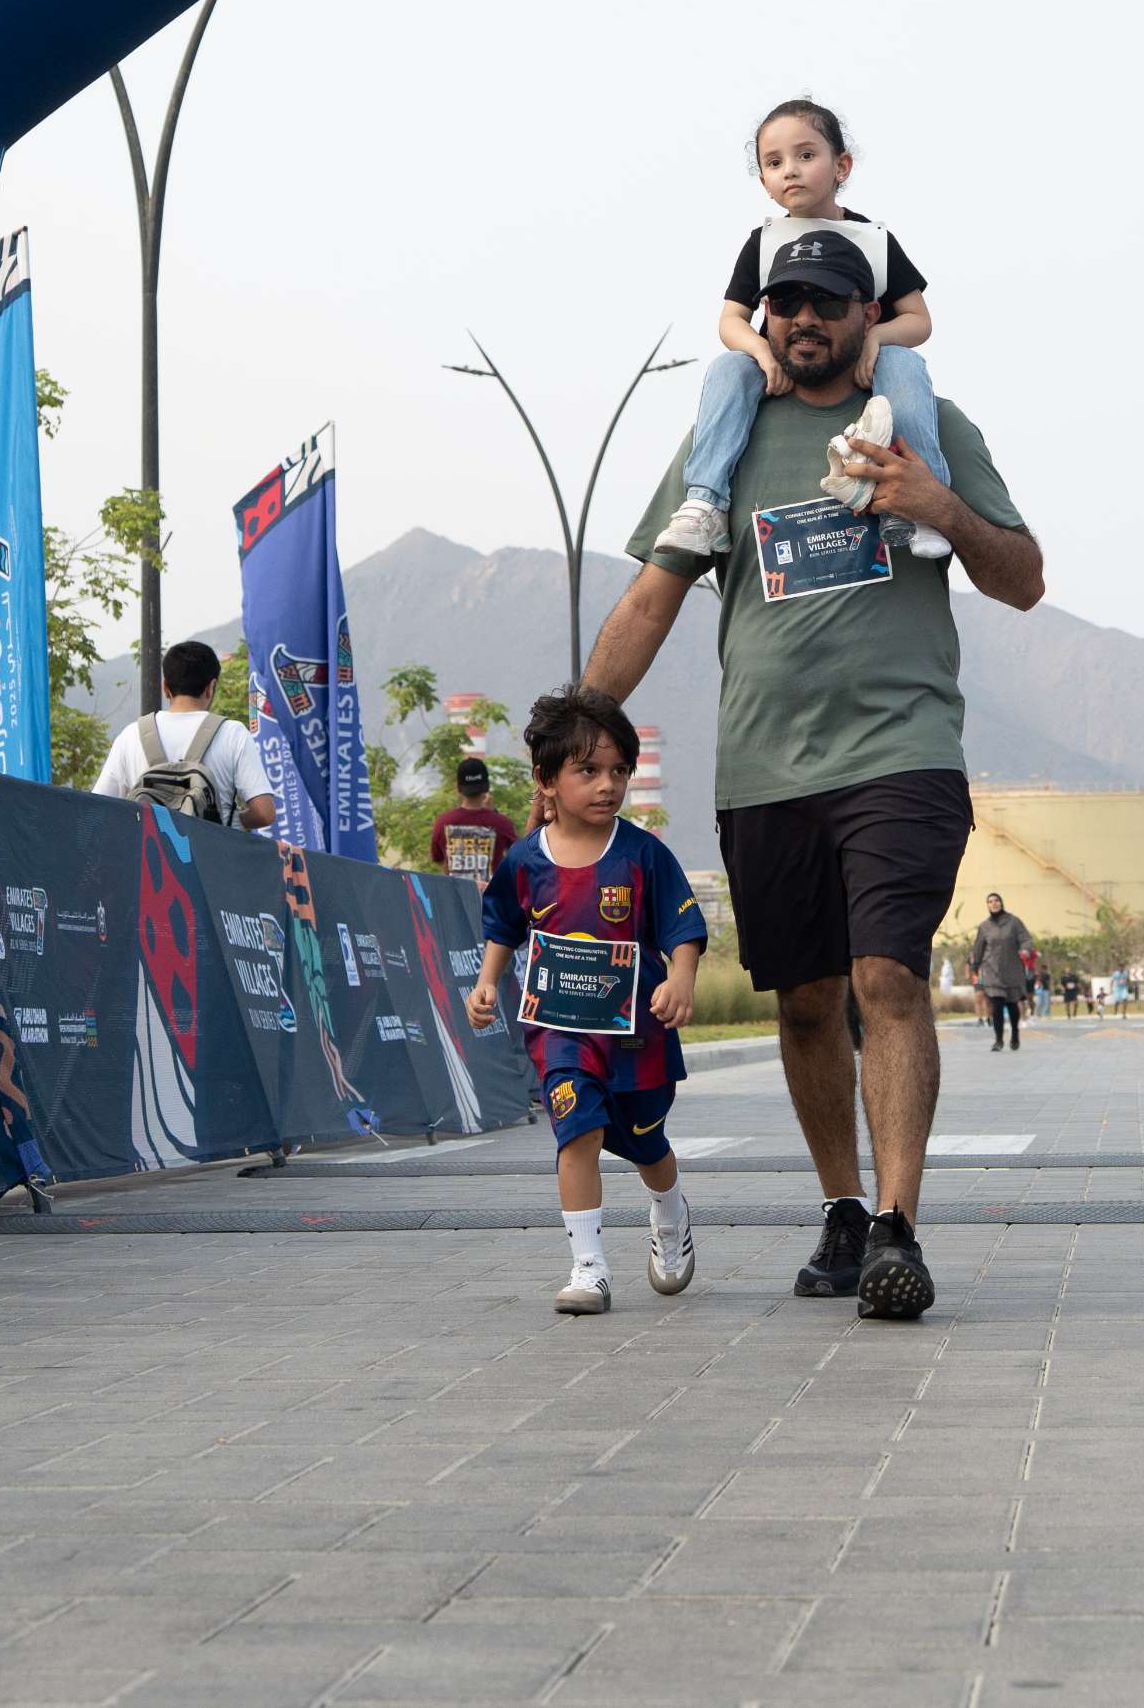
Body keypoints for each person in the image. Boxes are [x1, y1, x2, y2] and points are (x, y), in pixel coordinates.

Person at [591, 231, 1044, 1324]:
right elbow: (653, 596)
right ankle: (842, 1209)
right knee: (803, 1002)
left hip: (902, 752)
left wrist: (936, 506)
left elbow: (1023, 578)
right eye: (784, 300)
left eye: (827, 301)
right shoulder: (728, 432)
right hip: (763, 768)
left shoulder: (927, 423)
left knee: (885, 978)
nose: (803, 318)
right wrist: (577, 729)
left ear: (865, 314)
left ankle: (896, 1227)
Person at [466, 689, 708, 1316]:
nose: (608, 785)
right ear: (546, 780)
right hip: (561, 1031)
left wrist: (681, 977)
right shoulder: (525, 860)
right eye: (589, 770)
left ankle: (670, 1210)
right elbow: (503, 926)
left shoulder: (643, 854)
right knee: (577, 1134)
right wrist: (487, 981)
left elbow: (682, 925)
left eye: (619, 771)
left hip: (637, 1036)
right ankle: (589, 1267)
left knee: (645, 1142)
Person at [657, 99, 957, 564]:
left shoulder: (876, 240)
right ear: (764, 181)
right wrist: (760, 351)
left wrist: (876, 339)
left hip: (857, 366)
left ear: (842, 166)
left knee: (905, 362)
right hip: (784, 367)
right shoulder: (761, 243)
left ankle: (922, 502)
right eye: (774, 163)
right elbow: (731, 321)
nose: (790, 171)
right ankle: (705, 503)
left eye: (805, 155)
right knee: (729, 367)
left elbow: (919, 320)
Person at [94, 640, 276, 831]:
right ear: (211, 687)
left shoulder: (131, 736)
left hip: (147, 848)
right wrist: (226, 821)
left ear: (165, 688)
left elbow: (98, 808)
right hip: (213, 849)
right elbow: (264, 813)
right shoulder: (233, 733)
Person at [428, 755, 519, 881]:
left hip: (455, 893)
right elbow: (520, 856)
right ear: (486, 785)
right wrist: (493, 813)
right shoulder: (502, 823)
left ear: (459, 787)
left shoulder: (443, 822)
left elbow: (438, 859)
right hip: (491, 893)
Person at [969, 892, 1034, 1051]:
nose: (994, 903)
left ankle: (1015, 1034)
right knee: (997, 1005)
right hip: (991, 970)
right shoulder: (984, 926)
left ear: (1001, 902)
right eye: (990, 901)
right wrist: (975, 966)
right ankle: (998, 1040)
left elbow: (1026, 939)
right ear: (987, 905)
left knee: (1012, 1004)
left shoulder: (1014, 922)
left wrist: (1026, 950)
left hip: (1012, 969)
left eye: (996, 900)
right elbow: (978, 948)